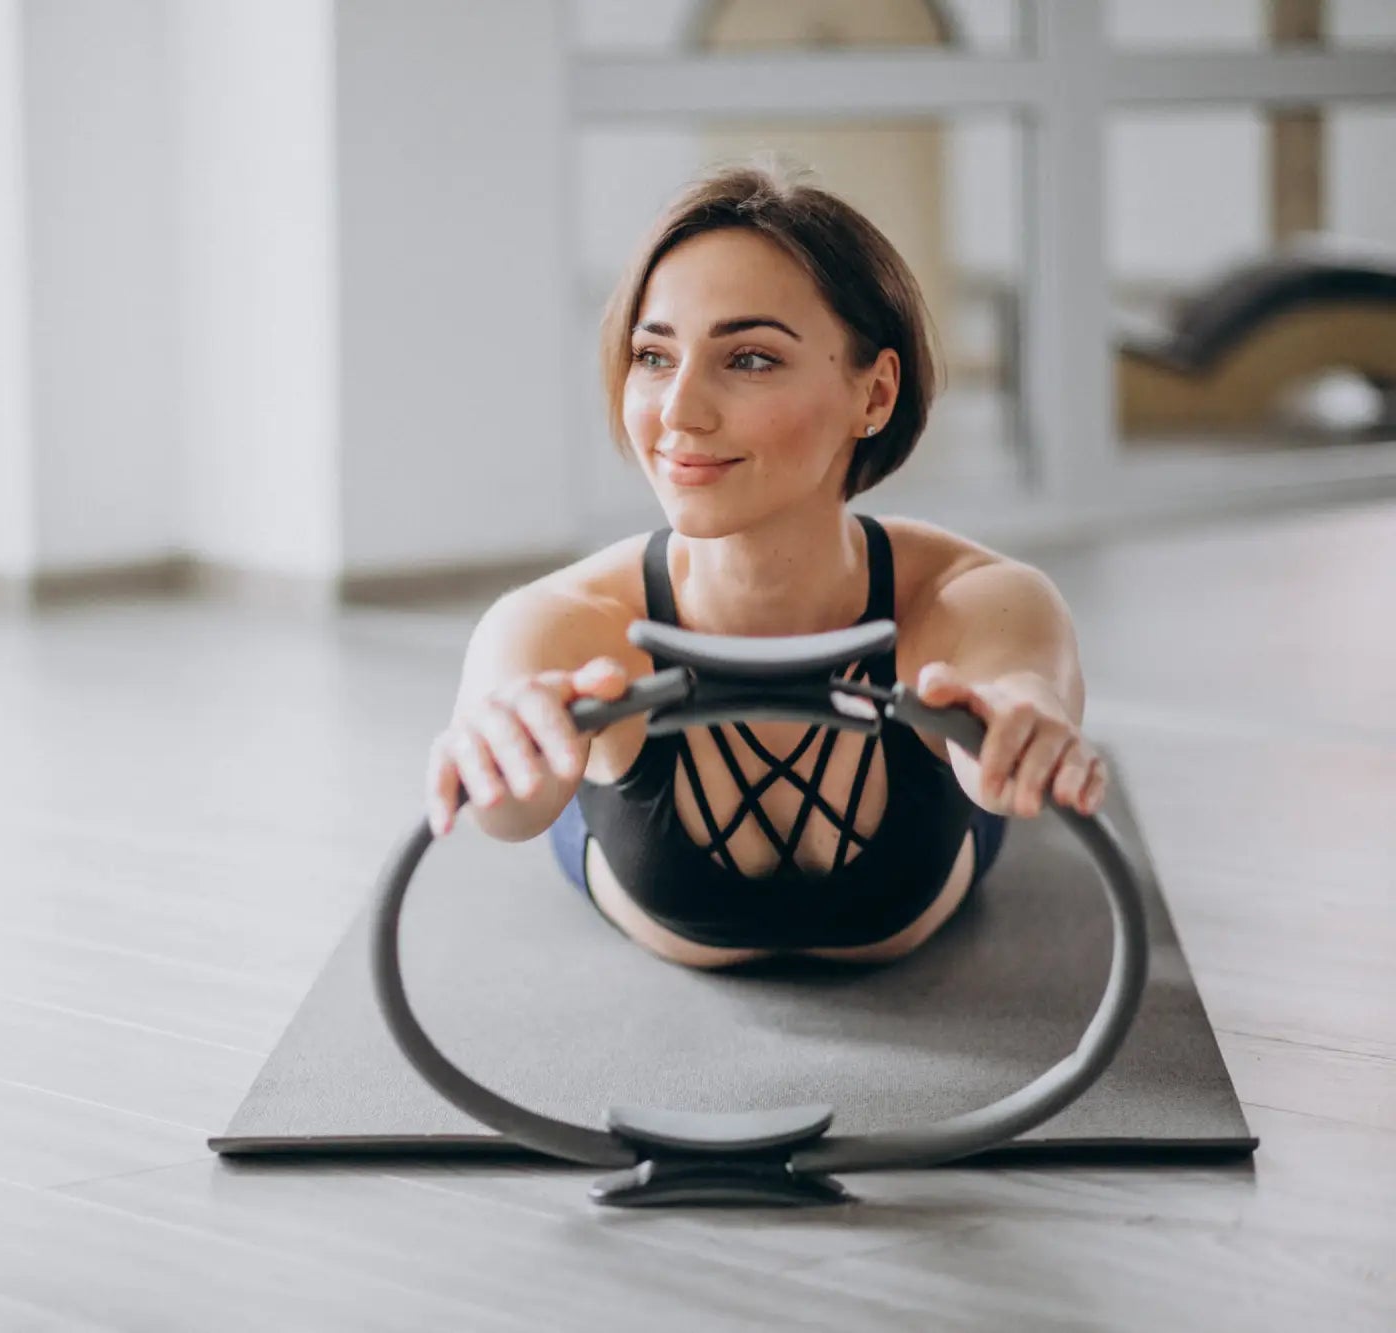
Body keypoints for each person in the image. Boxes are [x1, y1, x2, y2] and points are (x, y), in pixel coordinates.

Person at [422, 160, 1105, 970]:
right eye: (653, 356)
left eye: (749, 358)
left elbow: (1003, 744)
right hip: (623, 823)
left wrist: (1024, 716)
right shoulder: (561, 623)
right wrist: (494, 743)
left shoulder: (979, 600)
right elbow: (511, 813)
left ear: (875, 395)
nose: (678, 412)